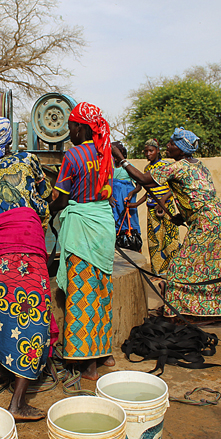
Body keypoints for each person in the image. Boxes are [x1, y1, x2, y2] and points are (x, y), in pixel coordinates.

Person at [112, 127, 221, 332]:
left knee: (178, 268)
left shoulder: (177, 167)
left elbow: (143, 180)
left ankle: (170, 318)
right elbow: (197, 192)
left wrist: (122, 160)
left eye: (171, 144)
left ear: (181, 148)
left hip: (206, 224)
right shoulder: (200, 166)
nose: (167, 147)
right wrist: (182, 215)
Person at [49, 102, 116, 381]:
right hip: (103, 226)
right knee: (101, 291)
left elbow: (62, 198)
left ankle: (87, 364)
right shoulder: (105, 154)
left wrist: (49, 209)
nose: (68, 131)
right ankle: (105, 353)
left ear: (80, 127)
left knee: (81, 294)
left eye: (71, 126)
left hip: (82, 230)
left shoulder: (74, 155)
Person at [0, 117, 53, 421]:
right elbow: (43, 198)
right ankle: (16, 404)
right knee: (31, 316)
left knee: (3, 311)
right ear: (9, 141)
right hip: (25, 244)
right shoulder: (26, 159)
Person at [127, 138, 180, 275]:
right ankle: (158, 273)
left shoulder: (166, 166)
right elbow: (148, 192)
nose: (148, 154)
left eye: (151, 150)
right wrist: (136, 204)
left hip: (167, 208)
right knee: (155, 242)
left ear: (157, 151)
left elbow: (172, 189)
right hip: (152, 208)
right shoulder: (147, 169)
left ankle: (175, 272)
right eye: (146, 151)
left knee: (171, 240)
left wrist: (162, 202)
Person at [110, 141, 141, 240]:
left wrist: (132, 192)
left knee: (129, 223)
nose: (114, 158)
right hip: (113, 203)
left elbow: (139, 184)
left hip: (126, 202)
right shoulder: (109, 167)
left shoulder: (128, 167)